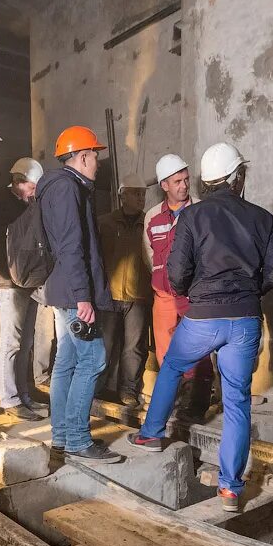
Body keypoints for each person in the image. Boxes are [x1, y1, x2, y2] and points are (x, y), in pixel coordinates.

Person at [128, 142, 273, 513]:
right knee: (236, 402)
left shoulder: (192, 217)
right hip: (245, 319)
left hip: (202, 317)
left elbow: (177, 272)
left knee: (172, 367)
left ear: (205, 181)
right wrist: (248, 293)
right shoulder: (262, 218)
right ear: (236, 177)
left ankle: (152, 434)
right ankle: (230, 489)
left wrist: (195, 295)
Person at [37, 126, 120, 463]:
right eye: (95, 156)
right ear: (83, 156)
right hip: (74, 293)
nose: (97, 163)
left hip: (64, 289)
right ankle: (77, 440)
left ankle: (61, 437)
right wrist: (84, 296)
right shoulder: (67, 189)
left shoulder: (61, 187)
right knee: (93, 360)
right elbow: (72, 246)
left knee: (66, 363)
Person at [143, 154, 214, 418]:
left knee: (198, 347)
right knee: (165, 349)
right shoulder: (152, 217)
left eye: (186, 180)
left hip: (192, 295)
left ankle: (196, 402)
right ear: (164, 185)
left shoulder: (201, 211)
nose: (184, 186)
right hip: (163, 295)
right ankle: (172, 399)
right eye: (177, 182)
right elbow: (148, 254)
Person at [0, 157, 48, 421]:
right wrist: (5, 277)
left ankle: (24, 396)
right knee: (11, 341)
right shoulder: (0, 206)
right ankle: (9, 398)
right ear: (18, 181)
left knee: (25, 342)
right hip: (9, 281)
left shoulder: (28, 204)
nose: (34, 192)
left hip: (28, 280)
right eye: (32, 187)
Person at [97, 173, 152, 407]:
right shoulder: (106, 223)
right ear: (123, 195)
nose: (141, 198)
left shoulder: (148, 222)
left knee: (134, 348)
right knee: (104, 346)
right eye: (136, 193)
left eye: (143, 194)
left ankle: (128, 391)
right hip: (110, 295)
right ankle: (96, 388)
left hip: (138, 295)